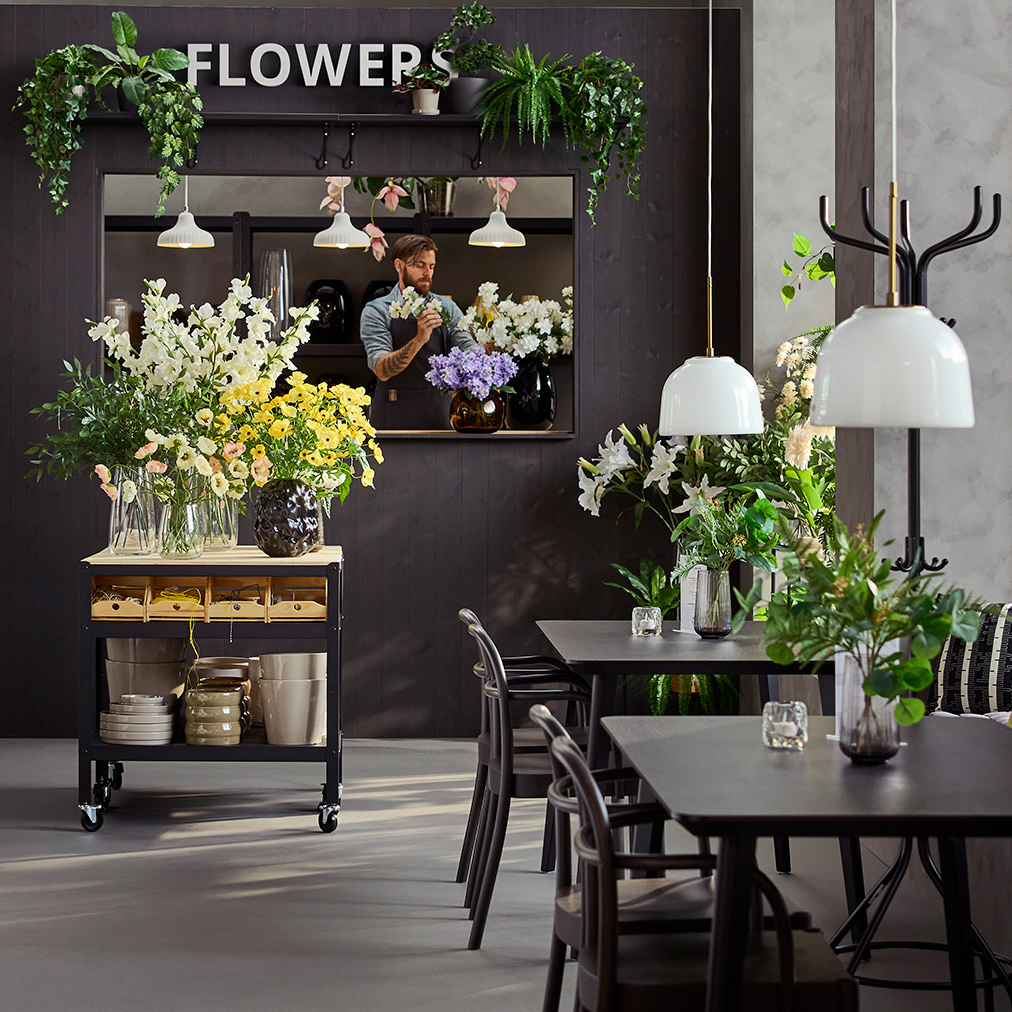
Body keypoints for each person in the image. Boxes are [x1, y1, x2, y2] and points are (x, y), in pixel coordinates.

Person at [359, 234, 477, 430]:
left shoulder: (446, 308)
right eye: (420, 265)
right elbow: (381, 369)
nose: (427, 273)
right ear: (399, 266)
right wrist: (419, 339)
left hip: (440, 417)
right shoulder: (377, 310)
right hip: (392, 418)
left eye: (431, 266)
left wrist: (484, 355)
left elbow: (466, 347)